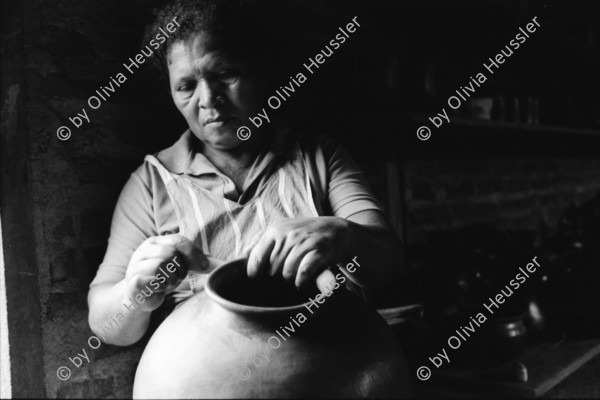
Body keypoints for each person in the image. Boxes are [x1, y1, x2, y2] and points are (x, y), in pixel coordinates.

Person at [87, 0, 403, 347]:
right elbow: (107, 325)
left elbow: (386, 265)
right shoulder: (150, 184)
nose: (209, 99)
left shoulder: (319, 157)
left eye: (225, 74)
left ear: (259, 73)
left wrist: (343, 236)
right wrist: (134, 295)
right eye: (186, 86)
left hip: (333, 371)